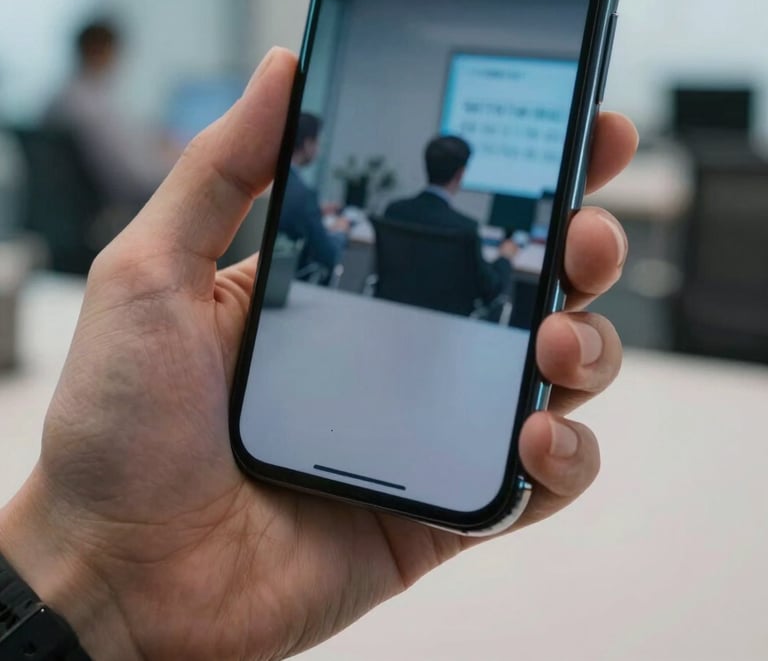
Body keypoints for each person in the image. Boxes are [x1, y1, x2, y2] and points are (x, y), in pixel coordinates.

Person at [0, 48, 636, 660]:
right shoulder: (470, 232)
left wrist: (81, 578)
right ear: (463, 174)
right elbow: (493, 292)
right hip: (442, 380)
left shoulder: (389, 210)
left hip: (375, 359)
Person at [45, 19, 176, 207]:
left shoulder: (61, 98)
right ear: (102, 52)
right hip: (115, 212)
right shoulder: (90, 107)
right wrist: (180, 165)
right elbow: (135, 179)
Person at [384, 134, 518, 307]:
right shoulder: (464, 228)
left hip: (391, 312)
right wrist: (505, 257)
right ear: (461, 173)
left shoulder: (395, 211)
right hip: (446, 323)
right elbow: (490, 290)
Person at [279, 111, 348, 277]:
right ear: (308, 144)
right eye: (318, 142)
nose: (319, 149)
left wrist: (316, 211)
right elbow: (328, 255)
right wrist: (340, 231)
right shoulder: (303, 195)